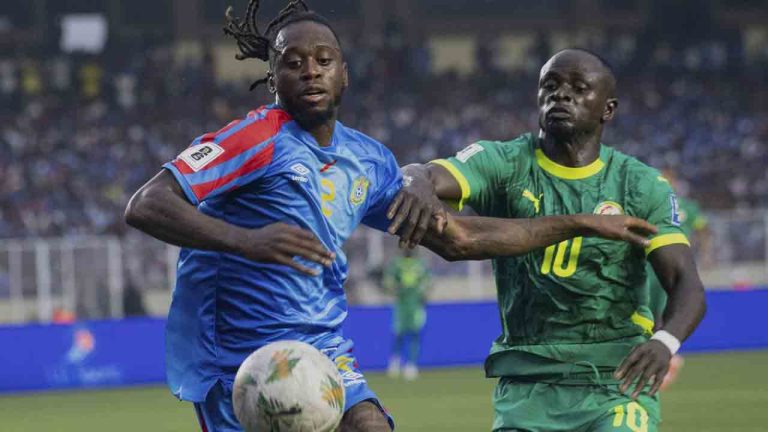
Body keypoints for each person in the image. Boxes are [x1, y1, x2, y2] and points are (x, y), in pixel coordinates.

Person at [124, 4, 660, 428]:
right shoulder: (254, 138)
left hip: (322, 346)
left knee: (371, 425)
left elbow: (457, 237)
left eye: (323, 60)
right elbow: (148, 204)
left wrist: (579, 222)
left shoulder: (368, 159)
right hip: (240, 357)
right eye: (292, 62)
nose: (310, 71)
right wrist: (246, 240)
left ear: (344, 74)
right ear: (273, 80)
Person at [390, 48, 707, 431]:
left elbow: (686, 283)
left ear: (607, 109)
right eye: (550, 85)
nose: (561, 94)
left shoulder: (639, 185)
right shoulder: (505, 163)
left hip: (615, 380)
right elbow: (425, 175)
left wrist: (666, 341)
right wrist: (415, 178)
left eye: (579, 88)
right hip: (528, 384)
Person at [643, 170, 710, 391]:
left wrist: (704, 253)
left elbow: (703, 229)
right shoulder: (655, 203)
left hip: (671, 261)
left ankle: (667, 356)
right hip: (654, 262)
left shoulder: (686, 206)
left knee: (665, 308)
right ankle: (662, 356)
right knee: (650, 310)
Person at [383, 248, 430, 381]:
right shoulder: (396, 264)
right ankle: (395, 362)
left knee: (415, 333)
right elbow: (388, 282)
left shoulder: (421, 265)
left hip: (415, 305)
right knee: (398, 334)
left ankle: (411, 365)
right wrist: (395, 288)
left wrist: (423, 293)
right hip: (401, 304)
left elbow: (427, 281)